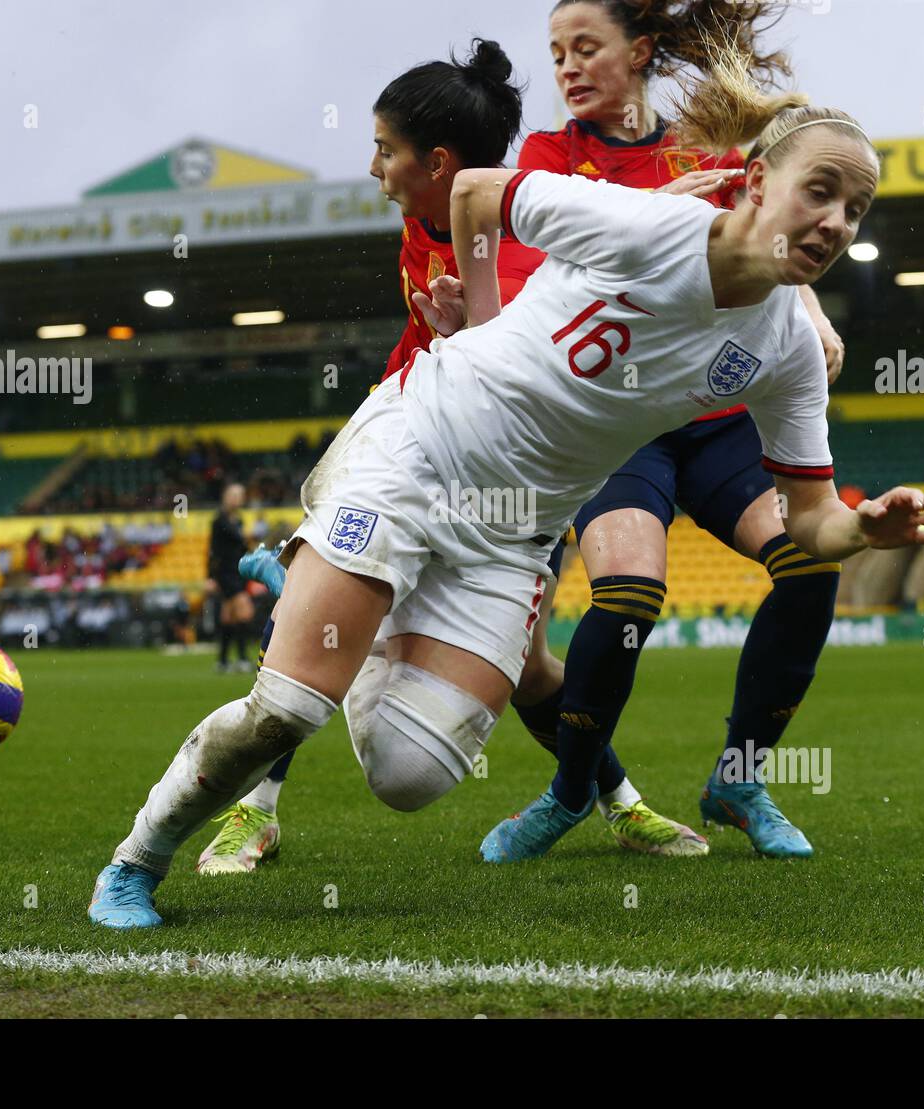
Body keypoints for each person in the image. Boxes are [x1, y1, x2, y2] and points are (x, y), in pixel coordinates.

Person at [88, 31, 924, 927]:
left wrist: (865, 527)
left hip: (512, 533)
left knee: (409, 775)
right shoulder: (646, 225)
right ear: (758, 182)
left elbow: (811, 521)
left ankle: (335, 591)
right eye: (821, 191)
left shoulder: (788, 350)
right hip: (420, 452)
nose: (837, 223)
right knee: (289, 710)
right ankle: (134, 865)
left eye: (857, 209)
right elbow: (473, 191)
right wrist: (485, 322)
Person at [197, 39, 705, 873]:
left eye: (385, 149)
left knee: (530, 668)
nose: (373, 167)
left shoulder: (527, 247)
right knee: (323, 626)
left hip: (505, 483)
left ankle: (617, 801)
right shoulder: (422, 216)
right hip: (409, 441)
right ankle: (253, 811)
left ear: (437, 162)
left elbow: (553, 367)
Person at [479, 0, 847, 862]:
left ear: (640, 50)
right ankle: (572, 790)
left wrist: (812, 310)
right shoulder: (548, 156)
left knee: (811, 566)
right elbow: (540, 277)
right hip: (618, 420)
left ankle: (739, 780)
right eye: (556, 54)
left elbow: (768, 235)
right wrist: (654, 210)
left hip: (716, 417)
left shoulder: (706, 145)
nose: (567, 68)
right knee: (629, 596)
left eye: (586, 48)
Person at [205, 483, 254, 673]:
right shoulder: (219, 521)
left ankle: (223, 661)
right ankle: (241, 658)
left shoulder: (238, 520)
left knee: (229, 617)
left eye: (239, 495)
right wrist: (210, 576)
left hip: (237, 571)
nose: (237, 499)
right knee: (245, 612)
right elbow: (212, 550)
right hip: (226, 573)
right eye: (233, 495)